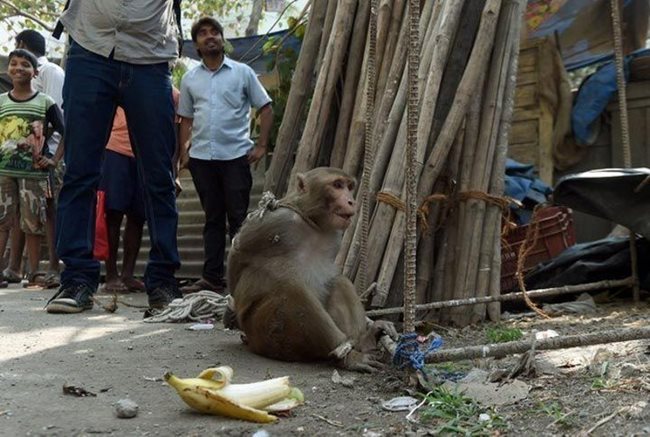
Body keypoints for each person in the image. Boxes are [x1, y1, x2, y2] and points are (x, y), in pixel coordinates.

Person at [46, 1, 181, 314]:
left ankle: (162, 282)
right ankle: (77, 279)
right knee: (80, 171)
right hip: (91, 46)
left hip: (150, 53)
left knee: (158, 176)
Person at [177, 17, 272, 294]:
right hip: (202, 159)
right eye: (203, 34)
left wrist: (262, 145)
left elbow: (265, 108)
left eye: (215, 32)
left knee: (240, 219)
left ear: (222, 38)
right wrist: (183, 153)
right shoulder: (190, 78)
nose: (210, 37)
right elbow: (185, 118)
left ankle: (243, 279)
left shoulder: (242, 73)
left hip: (235, 157)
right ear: (196, 44)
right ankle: (211, 277)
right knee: (213, 219)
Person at [100, 87, 180, 294]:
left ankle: (127, 274)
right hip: (115, 150)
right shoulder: (120, 82)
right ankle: (110, 275)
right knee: (113, 214)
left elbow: (175, 130)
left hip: (148, 155)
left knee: (138, 216)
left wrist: (174, 167)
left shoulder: (173, 93)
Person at [3, 30, 66, 289]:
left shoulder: (49, 71)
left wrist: (51, 157)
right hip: (14, 163)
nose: (18, 68)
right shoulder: (5, 99)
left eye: (24, 62)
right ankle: (15, 268)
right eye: (13, 63)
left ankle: (49, 268)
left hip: (44, 158)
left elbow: (57, 113)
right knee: (18, 213)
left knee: (44, 213)